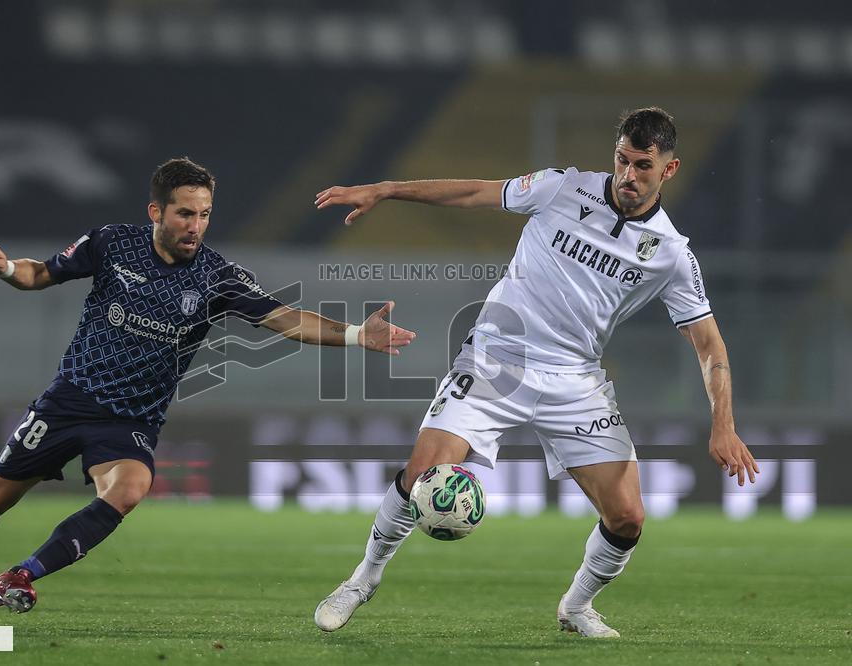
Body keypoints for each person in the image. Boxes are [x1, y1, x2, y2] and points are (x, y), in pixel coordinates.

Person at [0, 157, 416, 626]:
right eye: (185, 213)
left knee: (129, 489)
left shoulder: (217, 277)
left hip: (132, 420)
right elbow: (42, 273)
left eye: (204, 214)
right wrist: (6, 268)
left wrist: (356, 334)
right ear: (156, 212)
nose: (196, 226)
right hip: (69, 400)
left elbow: (285, 319)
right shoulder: (111, 243)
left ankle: (21, 575)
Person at [312, 107, 759, 638]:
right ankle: (362, 579)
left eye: (643, 165)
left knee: (628, 518)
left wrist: (724, 424)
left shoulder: (671, 254)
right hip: (495, 361)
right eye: (622, 160)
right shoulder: (561, 188)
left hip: (575, 381)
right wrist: (386, 190)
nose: (628, 175)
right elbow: (473, 192)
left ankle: (577, 606)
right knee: (422, 475)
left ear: (670, 169)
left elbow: (709, 343)